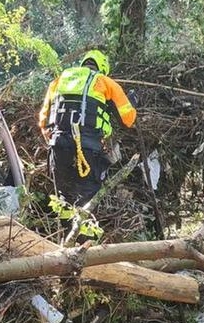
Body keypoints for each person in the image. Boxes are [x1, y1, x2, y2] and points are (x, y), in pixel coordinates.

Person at [37, 49, 137, 207]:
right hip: (88, 148)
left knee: (63, 197)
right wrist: (132, 102)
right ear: (103, 68)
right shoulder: (104, 82)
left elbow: (43, 120)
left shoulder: (60, 79)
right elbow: (128, 119)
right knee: (86, 197)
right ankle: (81, 230)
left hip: (58, 145)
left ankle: (66, 230)